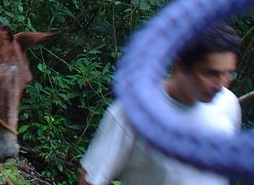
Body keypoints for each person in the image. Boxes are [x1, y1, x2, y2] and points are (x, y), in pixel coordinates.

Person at [78, 22, 242, 185]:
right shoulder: (133, 113)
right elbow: (90, 179)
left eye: (227, 73)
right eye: (211, 73)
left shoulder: (228, 104)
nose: (221, 84)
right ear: (180, 66)